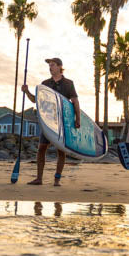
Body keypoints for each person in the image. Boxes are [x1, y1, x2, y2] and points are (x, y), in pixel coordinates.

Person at [21, 57, 81, 186]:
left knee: (61, 151)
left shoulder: (68, 83)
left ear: (60, 66)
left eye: (52, 65)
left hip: (62, 122)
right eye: (49, 65)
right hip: (47, 121)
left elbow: (75, 101)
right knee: (41, 148)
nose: (50, 67)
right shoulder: (45, 83)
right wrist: (27, 92)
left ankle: (57, 180)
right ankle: (39, 179)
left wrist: (78, 119)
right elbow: (35, 100)